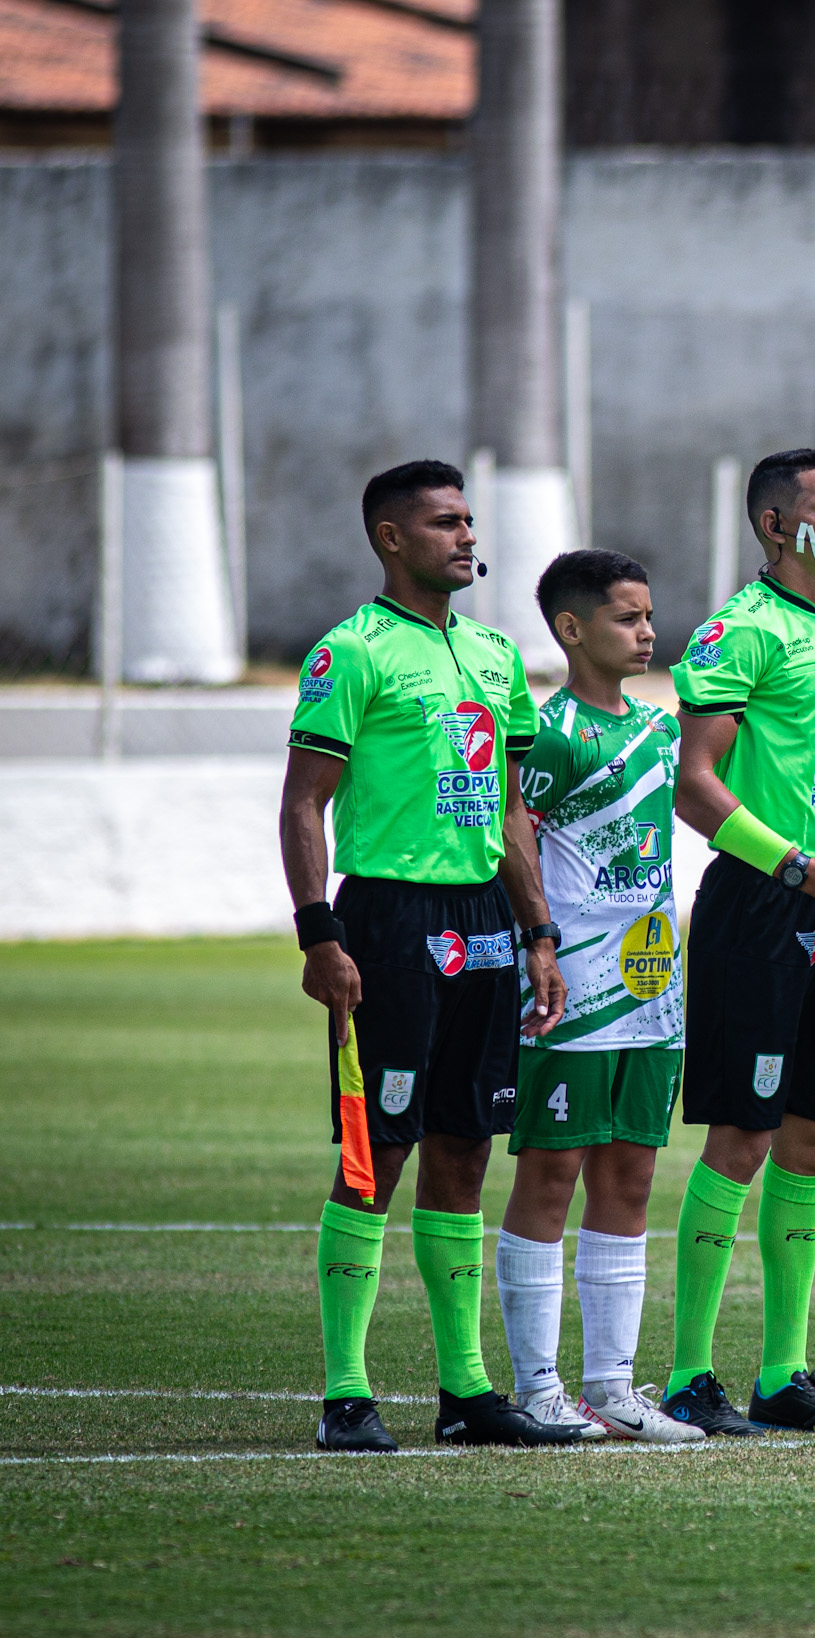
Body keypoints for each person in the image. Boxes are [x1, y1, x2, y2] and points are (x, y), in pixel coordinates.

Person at [282, 459, 581, 1452]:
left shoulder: (496, 657)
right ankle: (345, 1394)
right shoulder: (350, 654)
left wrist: (537, 931)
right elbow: (302, 802)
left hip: (486, 925)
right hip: (390, 924)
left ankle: (465, 1392)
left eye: (467, 520)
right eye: (443, 522)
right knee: (378, 1155)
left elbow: (508, 811)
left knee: (465, 1146)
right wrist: (317, 929)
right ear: (389, 539)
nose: (464, 536)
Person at [660, 448, 815, 1437]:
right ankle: (688, 1375)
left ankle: (784, 1373)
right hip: (764, 904)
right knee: (745, 1134)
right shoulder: (738, 631)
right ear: (774, 525)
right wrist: (801, 868)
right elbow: (695, 784)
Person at [491, 549, 700, 1444]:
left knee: (634, 1170)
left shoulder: (660, 733)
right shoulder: (549, 736)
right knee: (552, 1171)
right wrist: (539, 943)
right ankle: (539, 1389)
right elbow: (514, 836)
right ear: (572, 630)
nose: (648, 631)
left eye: (649, 614)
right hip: (571, 983)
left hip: (653, 978)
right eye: (627, 617)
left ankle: (612, 1387)